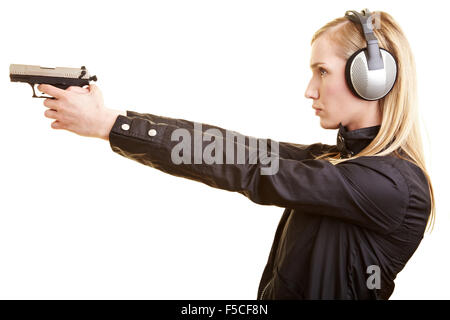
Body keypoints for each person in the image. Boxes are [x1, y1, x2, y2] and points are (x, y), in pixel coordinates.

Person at [37, 9, 435, 299]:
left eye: (323, 71)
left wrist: (108, 126)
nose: (310, 90)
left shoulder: (391, 186)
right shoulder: (341, 164)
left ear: (371, 76)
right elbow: (233, 148)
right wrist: (114, 118)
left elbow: (247, 168)